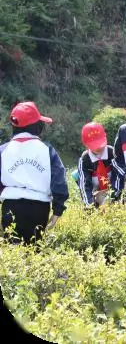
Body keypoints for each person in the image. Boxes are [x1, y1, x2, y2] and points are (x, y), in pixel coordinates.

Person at [0, 102, 69, 244]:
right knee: (34, 250)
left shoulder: (3, 150)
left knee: (12, 253)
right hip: (38, 209)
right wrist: (57, 209)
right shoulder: (47, 150)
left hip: (10, 206)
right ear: (37, 126)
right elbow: (59, 180)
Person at [77, 122, 122, 208]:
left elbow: (119, 177)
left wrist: (114, 198)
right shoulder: (84, 160)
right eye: (94, 145)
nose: (98, 147)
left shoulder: (112, 153)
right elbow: (84, 185)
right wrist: (90, 206)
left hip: (114, 192)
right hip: (95, 195)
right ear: (86, 144)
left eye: (100, 143)